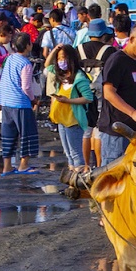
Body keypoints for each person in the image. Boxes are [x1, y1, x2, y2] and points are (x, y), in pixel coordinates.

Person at [95, 20, 136, 166]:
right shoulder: (118, 60)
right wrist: (132, 112)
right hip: (117, 129)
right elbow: (109, 92)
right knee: (113, 170)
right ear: (132, 39)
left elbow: (135, 87)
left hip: (134, 130)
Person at [44, 45, 93, 182]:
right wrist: (54, 50)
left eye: (63, 58)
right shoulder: (60, 73)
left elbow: (88, 97)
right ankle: (72, 181)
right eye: (59, 58)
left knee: (76, 153)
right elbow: (47, 66)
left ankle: (79, 181)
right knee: (69, 154)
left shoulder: (79, 77)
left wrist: (69, 100)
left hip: (73, 120)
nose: (61, 61)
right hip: (61, 120)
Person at [0, 32, 42, 173]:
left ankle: (7, 166)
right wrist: (33, 99)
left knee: (8, 134)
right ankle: (23, 165)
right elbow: (26, 87)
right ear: (28, 45)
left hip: (6, 101)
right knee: (27, 134)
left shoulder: (9, 59)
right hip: (20, 102)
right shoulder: (26, 63)